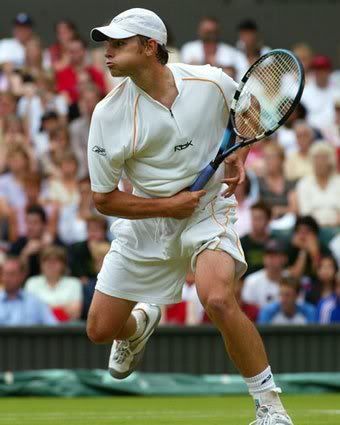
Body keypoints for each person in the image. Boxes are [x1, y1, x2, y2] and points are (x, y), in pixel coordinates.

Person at [86, 9, 293, 424]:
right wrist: (165, 206)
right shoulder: (108, 115)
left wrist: (240, 156)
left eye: (118, 44)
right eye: (106, 45)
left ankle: (270, 408)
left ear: (150, 47)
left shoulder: (212, 82)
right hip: (147, 220)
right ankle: (139, 324)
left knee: (216, 297)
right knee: (100, 329)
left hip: (207, 209)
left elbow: (247, 114)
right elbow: (103, 200)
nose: (107, 53)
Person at [25, 245, 83, 322]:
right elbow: (29, 312)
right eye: (47, 261)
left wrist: (43, 308)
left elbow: (76, 313)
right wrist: (62, 308)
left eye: (55, 261)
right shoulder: (32, 282)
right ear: (41, 264)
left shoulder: (74, 283)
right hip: (37, 329)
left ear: (63, 265)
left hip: (67, 329)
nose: (51, 264)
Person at [181, 16, 247, 81]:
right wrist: (218, 67)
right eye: (207, 32)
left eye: (213, 32)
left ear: (218, 32)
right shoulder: (189, 48)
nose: (210, 35)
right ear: (200, 31)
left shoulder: (232, 52)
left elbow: (233, 74)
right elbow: (187, 72)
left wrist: (202, 64)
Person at [0, 256, 57, 325]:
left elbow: (53, 327)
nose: (7, 278)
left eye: (12, 274)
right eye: (4, 274)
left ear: (22, 276)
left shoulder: (35, 302)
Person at [295, 141, 340, 227]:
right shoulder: (304, 183)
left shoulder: (338, 181)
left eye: (323, 158)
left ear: (331, 161)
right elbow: (305, 213)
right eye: (316, 158)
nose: (319, 162)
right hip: (313, 229)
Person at [242, 239, 288, 309]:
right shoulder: (251, 281)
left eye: (275, 255)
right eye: (268, 255)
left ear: (284, 259)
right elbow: (248, 310)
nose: (270, 259)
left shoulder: (291, 279)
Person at [302, 55, 340, 132]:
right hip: (312, 133)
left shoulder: (337, 92)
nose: (320, 73)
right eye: (317, 70)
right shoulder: (305, 93)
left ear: (329, 71)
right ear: (313, 72)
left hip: (333, 132)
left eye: (324, 70)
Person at [241, 201, 271, 277]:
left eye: (260, 218)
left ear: (268, 220)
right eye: (254, 218)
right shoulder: (241, 243)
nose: (256, 222)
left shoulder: (275, 243)